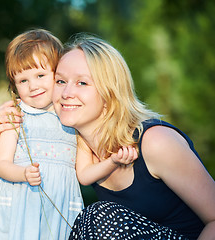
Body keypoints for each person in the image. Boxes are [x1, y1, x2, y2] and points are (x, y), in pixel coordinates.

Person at [50, 34, 215, 239]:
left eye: (82, 83)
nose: (66, 92)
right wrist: (3, 126)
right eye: (60, 81)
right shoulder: (77, 146)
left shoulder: (155, 142)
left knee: (97, 217)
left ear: (110, 92)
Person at [0, 29, 84, 240]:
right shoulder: (16, 115)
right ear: (14, 85)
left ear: (58, 74)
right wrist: (23, 174)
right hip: (23, 204)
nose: (33, 86)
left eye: (40, 75)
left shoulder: (71, 115)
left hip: (61, 206)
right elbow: (2, 164)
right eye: (23, 81)